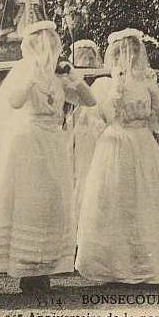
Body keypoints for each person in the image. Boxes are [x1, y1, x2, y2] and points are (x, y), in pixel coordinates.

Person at [0, 20, 96, 293]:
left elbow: (89, 102)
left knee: (52, 202)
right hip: (28, 141)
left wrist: (74, 78)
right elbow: (14, 102)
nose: (49, 48)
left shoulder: (60, 74)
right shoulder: (23, 70)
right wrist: (31, 76)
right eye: (43, 42)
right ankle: (26, 268)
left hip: (52, 140)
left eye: (52, 42)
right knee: (30, 202)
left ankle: (46, 268)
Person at [75, 29, 159, 284]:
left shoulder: (146, 83)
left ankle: (145, 264)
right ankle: (112, 266)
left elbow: (158, 121)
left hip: (142, 143)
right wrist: (118, 88)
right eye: (124, 52)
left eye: (134, 51)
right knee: (116, 200)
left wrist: (154, 98)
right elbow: (102, 117)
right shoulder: (104, 84)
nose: (130, 57)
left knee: (144, 200)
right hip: (117, 143)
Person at [66, 40, 106, 229]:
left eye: (91, 57)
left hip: (93, 130)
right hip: (77, 129)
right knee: (76, 170)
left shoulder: (101, 82)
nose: (88, 61)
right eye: (83, 57)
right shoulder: (71, 80)